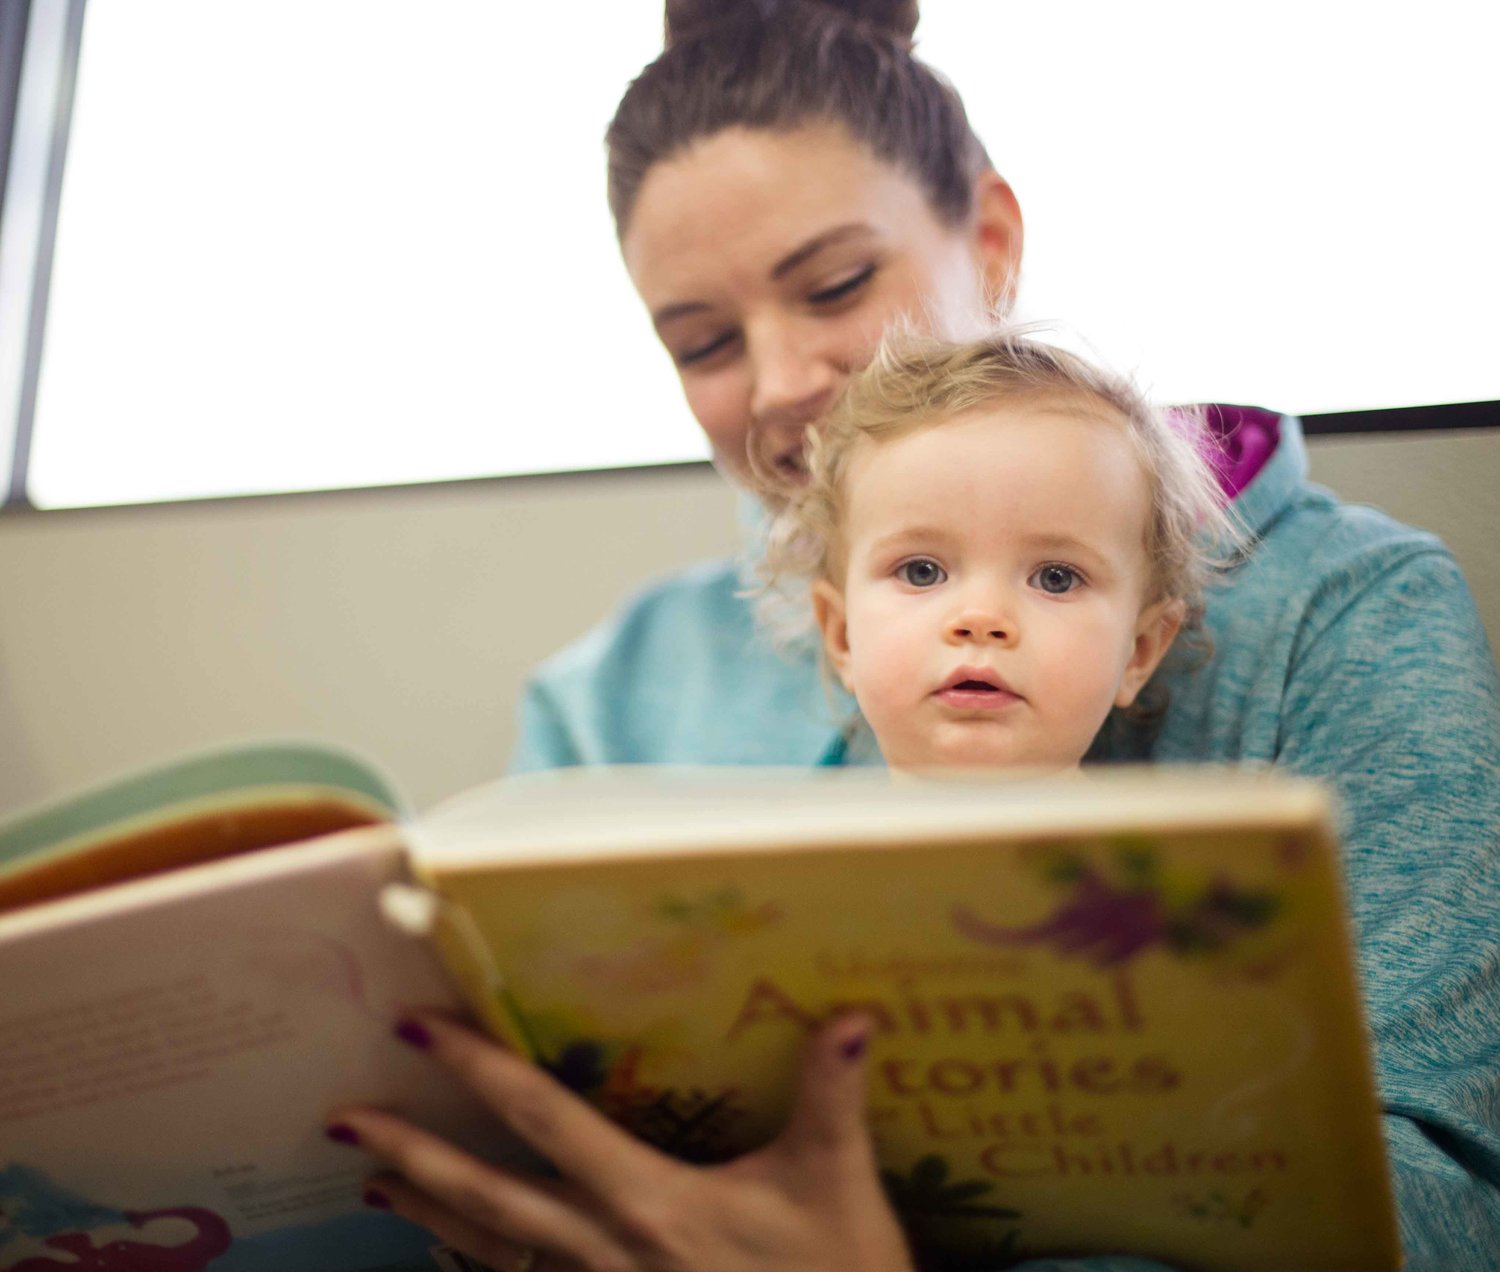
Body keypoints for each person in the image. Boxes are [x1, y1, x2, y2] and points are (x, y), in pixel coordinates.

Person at [326, 2, 1500, 1268]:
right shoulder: (607, 694)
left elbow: (1448, 1205)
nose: (778, 384)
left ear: (991, 243)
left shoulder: (1347, 613)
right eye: (704, 342)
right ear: (835, 626)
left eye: (835, 284)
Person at [757, 331, 1234, 773]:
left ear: (1139, 651)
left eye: (1056, 578)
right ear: (841, 637)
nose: (981, 618)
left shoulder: (1161, 862)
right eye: (922, 572)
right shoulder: (795, 856)